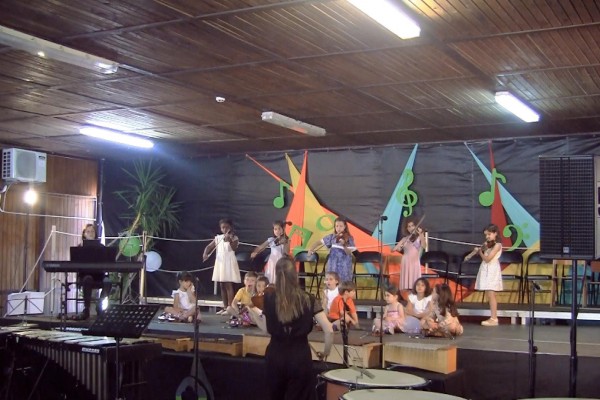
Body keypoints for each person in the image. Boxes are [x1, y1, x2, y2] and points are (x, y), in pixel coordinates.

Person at [248, 256, 333, 400]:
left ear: (276, 275)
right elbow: (329, 330)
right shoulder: (308, 299)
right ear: (295, 274)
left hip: (275, 355)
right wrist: (326, 352)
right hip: (300, 357)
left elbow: (267, 329)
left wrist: (253, 313)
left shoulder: (269, 299)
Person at [203, 218, 241, 315]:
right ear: (220, 228)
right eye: (223, 227)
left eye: (227, 227)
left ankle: (230, 308)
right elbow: (209, 247)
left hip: (228, 262)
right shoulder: (218, 238)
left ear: (230, 227)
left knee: (228, 284)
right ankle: (224, 307)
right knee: (222, 285)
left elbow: (233, 248)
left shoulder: (234, 238)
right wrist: (205, 253)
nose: (225, 229)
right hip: (220, 263)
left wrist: (229, 240)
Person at [471, 223, 503, 326]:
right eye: (486, 235)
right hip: (486, 269)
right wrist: (477, 250)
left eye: (489, 234)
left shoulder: (497, 245)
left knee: (491, 294)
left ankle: (494, 318)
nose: (487, 237)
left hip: (492, 270)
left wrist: (480, 252)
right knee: (489, 294)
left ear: (495, 233)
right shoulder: (488, 244)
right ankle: (492, 317)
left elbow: (488, 259)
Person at [77, 224, 111, 320]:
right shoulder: (80, 248)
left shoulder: (102, 247)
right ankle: (86, 309)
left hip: (99, 276)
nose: (90, 233)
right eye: (88, 231)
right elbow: (76, 264)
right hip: (85, 276)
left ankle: (99, 304)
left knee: (108, 282)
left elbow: (107, 262)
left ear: (95, 233)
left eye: (92, 231)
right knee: (88, 279)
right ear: (84, 234)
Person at [307, 217, 356, 284]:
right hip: (332, 264)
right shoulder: (331, 237)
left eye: (341, 226)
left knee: (343, 284)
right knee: (332, 282)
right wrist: (311, 249)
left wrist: (344, 245)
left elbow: (348, 252)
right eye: (337, 226)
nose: (338, 228)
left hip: (344, 265)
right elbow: (318, 242)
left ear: (345, 227)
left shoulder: (349, 238)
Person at [392, 217, 425, 291]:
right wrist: (398, 247)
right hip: (406, 261)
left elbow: (424, 246)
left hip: (415, 260)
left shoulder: (419, 237)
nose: (411, 228)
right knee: (406, 284)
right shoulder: (404, 239)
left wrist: (421, 234)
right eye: (409, 226)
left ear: (415, 226)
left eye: (412, 225)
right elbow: (395, 249)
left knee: (415, 282)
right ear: (406, 228)